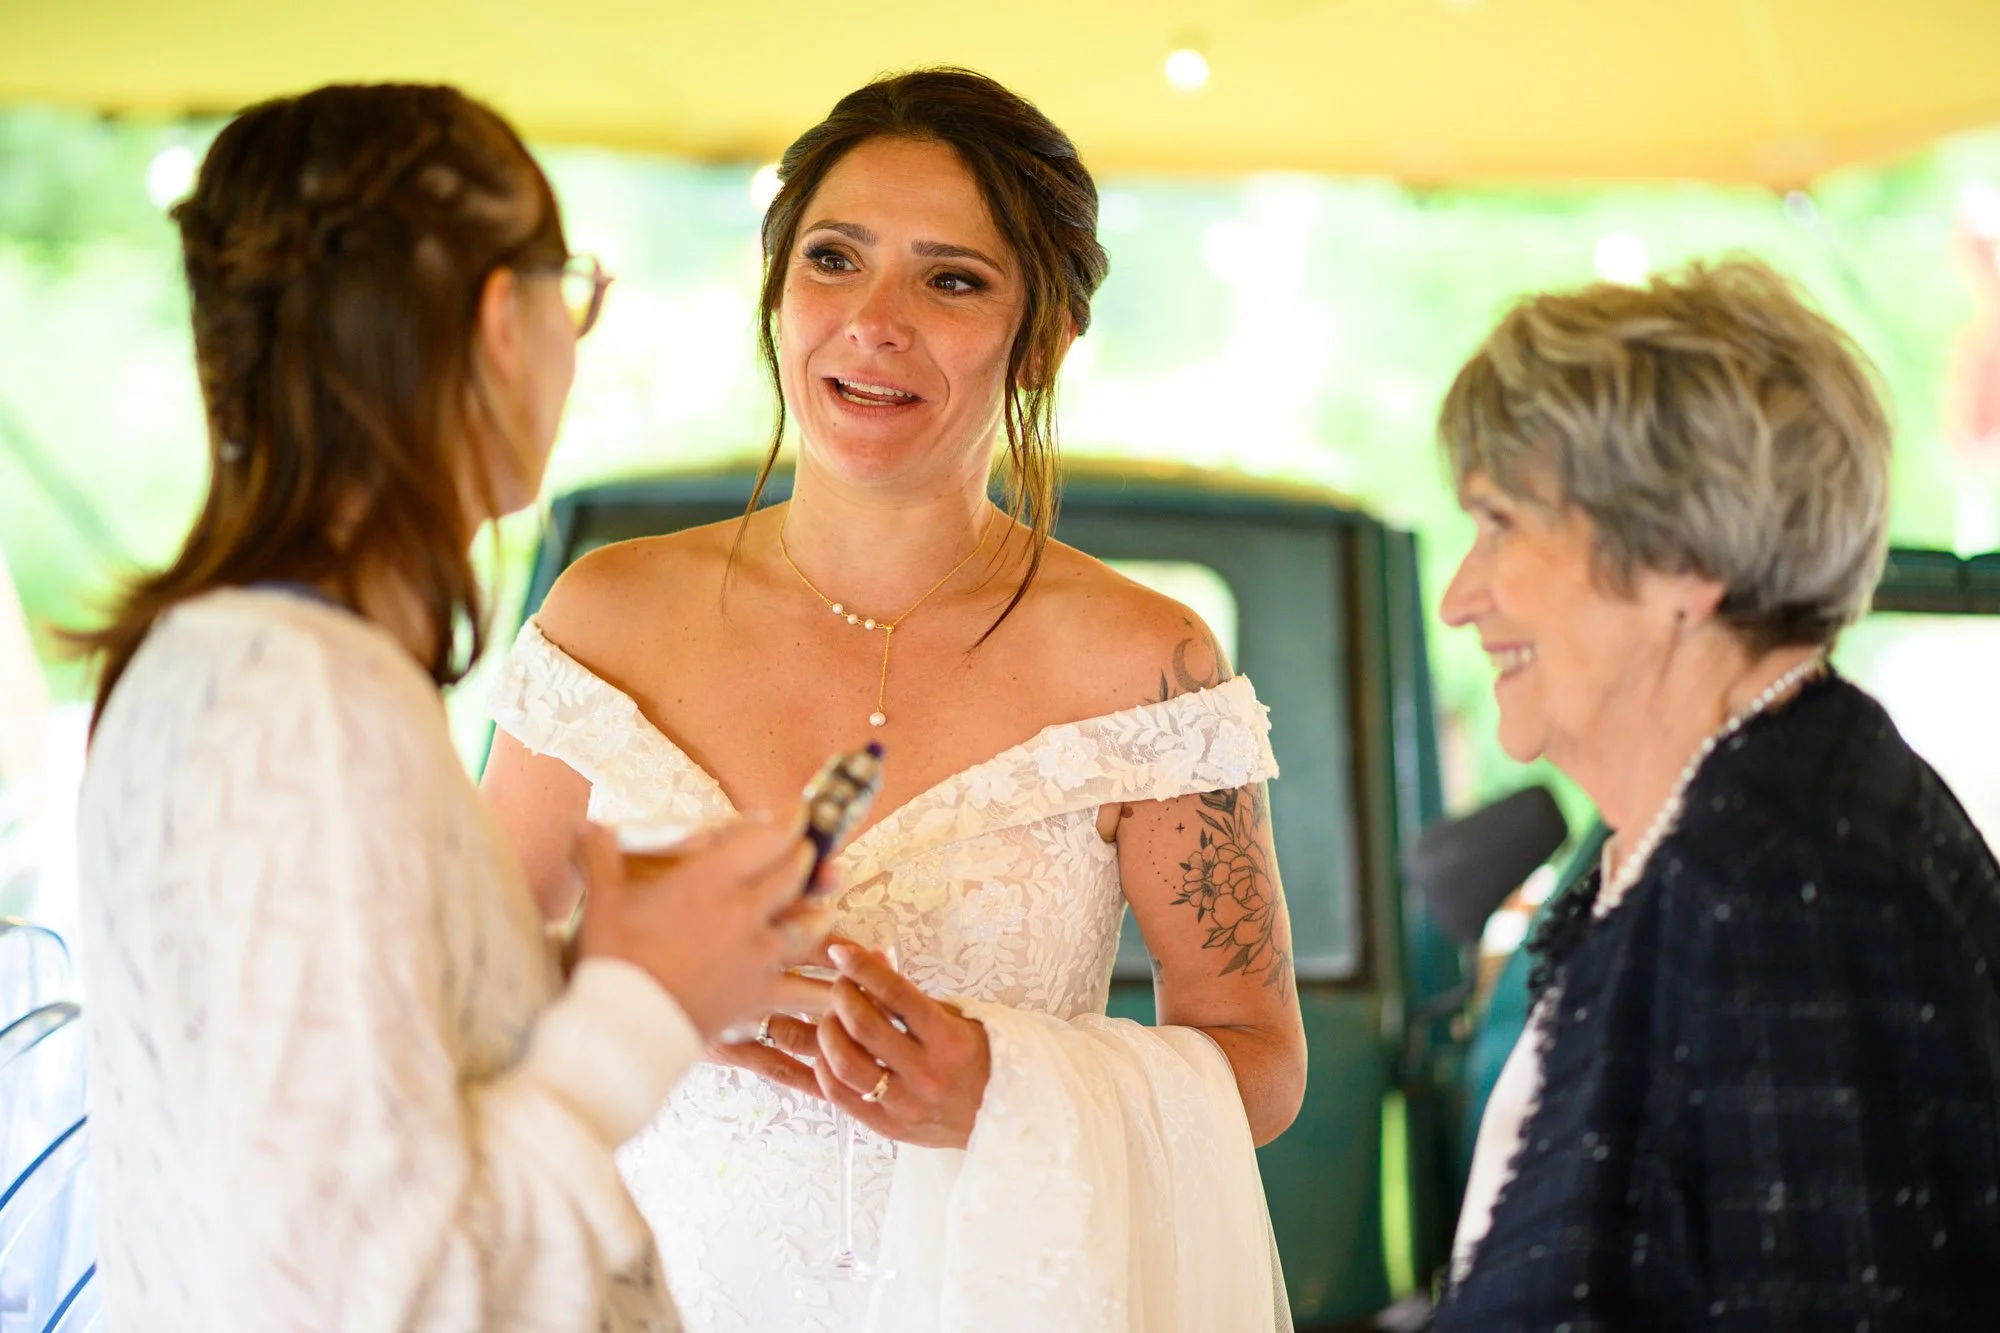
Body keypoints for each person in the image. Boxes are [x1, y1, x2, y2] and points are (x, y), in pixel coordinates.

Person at [481, 68, 1306, 1331]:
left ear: (1042, 339)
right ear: (775, 292)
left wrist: (1001, 1088)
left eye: (952, 279)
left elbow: (1258, 1060)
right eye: (833, 259)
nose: (874, 321)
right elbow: (464, 985)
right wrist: (649, 983)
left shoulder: (1151, 663)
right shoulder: (605, 619)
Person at [73, 83, 834, 1333]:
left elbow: (328, 1076)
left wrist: (585, 966)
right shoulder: (301, 705)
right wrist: (636, 1018)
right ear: (499, 319)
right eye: (571, 292)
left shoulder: (233, 661)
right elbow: (366, 1284)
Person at [1432, 259, 2000, 1329]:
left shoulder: (1790, 889)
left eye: (1499, 523)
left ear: (1681, 559)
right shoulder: (1711, 834)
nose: (1461, 597)